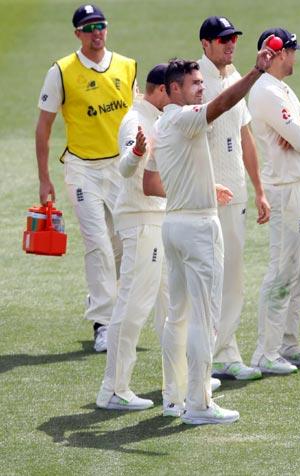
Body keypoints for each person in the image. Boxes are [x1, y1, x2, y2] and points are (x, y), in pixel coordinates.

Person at [145, 45, 275, 424]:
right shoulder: (186, 118)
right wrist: (255, 73)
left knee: (178, 317)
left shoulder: (161, 124)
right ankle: (200, 405)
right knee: (203, 318)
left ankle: (174, 399)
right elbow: (222, 106)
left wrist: (203, 186)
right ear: (173, 90)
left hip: (174, 224)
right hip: (199, 228)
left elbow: (154, 180)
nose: (201, 89)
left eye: (203, 83)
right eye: (193, 84)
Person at [35, 4, 137, 352]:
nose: (97, 33)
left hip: (121, 168)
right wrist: (44, 180)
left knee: (123, 244)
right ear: (77, 33)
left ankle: (113, 306)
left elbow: (139, 116)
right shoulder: (62, 71)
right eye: (89, 27)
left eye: (101, 26)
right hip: (82, 170)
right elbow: (44, 127)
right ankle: (103, 322)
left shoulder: (126, 66)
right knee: (97, 244)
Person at [248, 28, 300, 374]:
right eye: (292, 52)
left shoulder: (282, 89)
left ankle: (288, 343)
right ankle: (266, 352)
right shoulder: (266, 92)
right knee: (282, 268)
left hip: (298, 184)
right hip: (283, 188)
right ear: (279, 53)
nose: (295, 58)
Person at [197, 16, 271, 381]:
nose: (229, 45)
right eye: (222, 40)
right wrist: (207, 184)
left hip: (236, 191)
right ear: (205, 44)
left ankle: (225, 351)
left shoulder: (234, 75)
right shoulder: (195, 80)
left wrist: (258, 189)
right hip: (208, 196)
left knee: (233, 275)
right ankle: (205, 357)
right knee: (210, 275)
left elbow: (245, 136)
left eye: (232, 39)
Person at [95, 64, 170, 411]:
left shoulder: (158, 117)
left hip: (158, 219)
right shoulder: (135, 120)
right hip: (140, 221)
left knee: (171, 306)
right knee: (133, 306)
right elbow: (125, 166)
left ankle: (180, 377)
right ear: (161, 90)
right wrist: (137, 151)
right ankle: (113, 388)